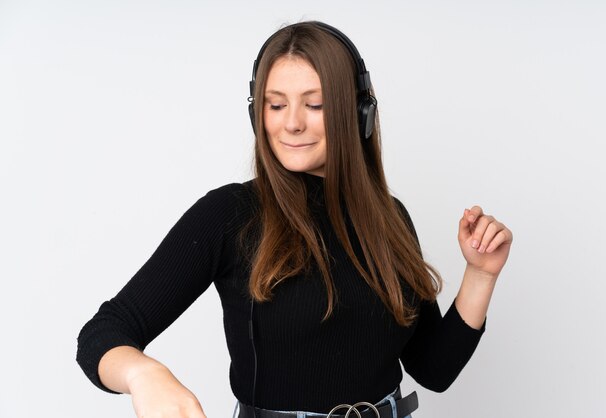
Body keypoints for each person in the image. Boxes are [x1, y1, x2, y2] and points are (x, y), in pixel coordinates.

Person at [76, 21, 513, 418]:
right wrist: (142, 374)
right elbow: (103, 333)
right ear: (256, 113)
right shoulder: (229, 216)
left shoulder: (389, 217)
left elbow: (434, 370)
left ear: (357, 113)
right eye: (276, 105)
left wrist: (479, 275)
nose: (293, 124)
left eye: (315, 104)